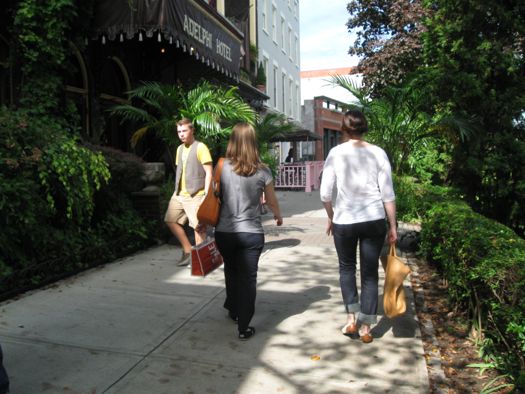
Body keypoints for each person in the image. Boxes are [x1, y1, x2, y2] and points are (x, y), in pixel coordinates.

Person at [319, 110, 397, 344]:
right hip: (374, 220)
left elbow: (325, 193)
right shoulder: (378, 153)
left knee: (346, 269)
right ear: (365, 128)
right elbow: (388, 194)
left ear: (344, 128)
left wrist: (331, 216)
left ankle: (351, 317)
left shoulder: (336, 153)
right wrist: (392, 225)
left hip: (345, 221)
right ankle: (365, 327)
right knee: (370, 274)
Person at [213, 122, 283, 340]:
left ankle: (233, 309)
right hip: (251, 233)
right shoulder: (263, 171)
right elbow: (271, 201)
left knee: (232, 270)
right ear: (253, 142)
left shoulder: (221, 166)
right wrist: (278, 215)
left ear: (232, 141)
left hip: (225, 231)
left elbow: (213, 195)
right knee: (247, 278)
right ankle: (244, 326)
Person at [165, 118, 213, 266]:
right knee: (170, 220)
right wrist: (176, 191)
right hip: (179, 194)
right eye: (179, 131)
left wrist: (206, 194)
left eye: (184, 131)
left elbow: (209, 172)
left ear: (192, 130)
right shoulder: (179, 149)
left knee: (198, 228)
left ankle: (202, 261)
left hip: (196, 194)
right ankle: (187, 250)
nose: (181, 134)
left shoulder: (201, 147)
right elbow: (181, 171)